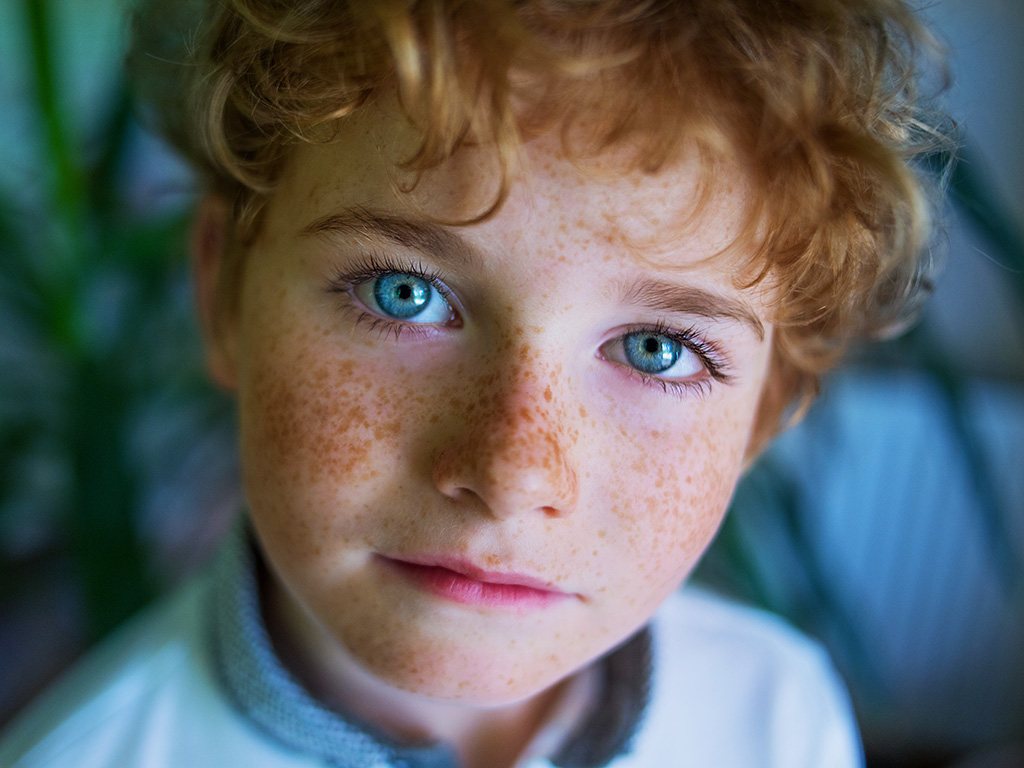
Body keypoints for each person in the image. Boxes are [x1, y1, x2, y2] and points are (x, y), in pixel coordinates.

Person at [0, 1, 950, 766]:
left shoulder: (779, 716)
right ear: (225, 294)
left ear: (770, 411)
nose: (513, 471)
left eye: (658, 349)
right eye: (404, 294)